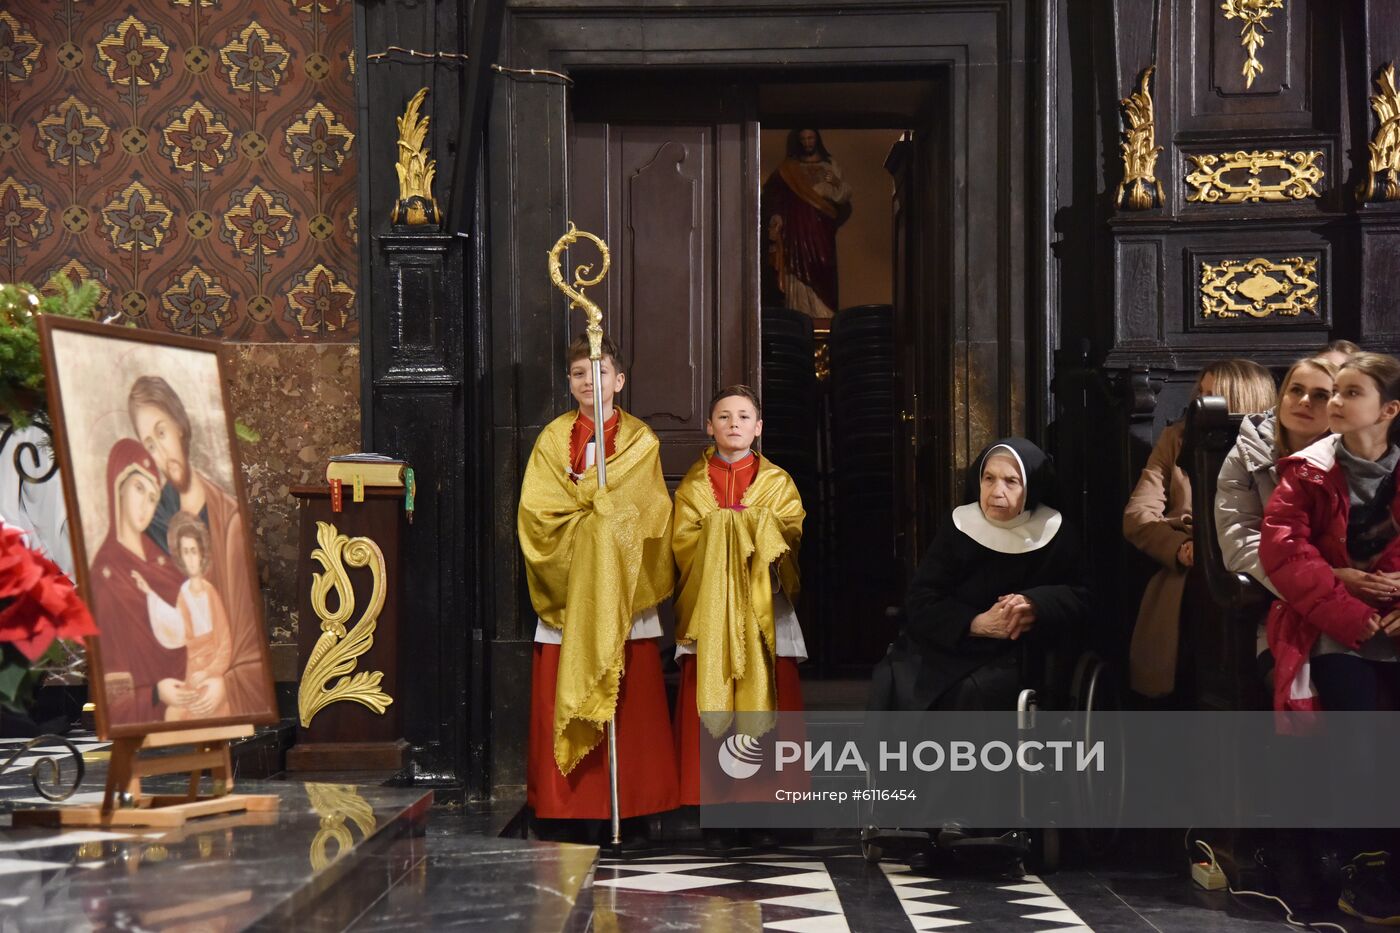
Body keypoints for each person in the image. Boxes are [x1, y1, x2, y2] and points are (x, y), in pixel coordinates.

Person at [517, 334, 679, 842]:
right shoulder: (551, 439)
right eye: (580, 374)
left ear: (620, 380)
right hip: (572, 588)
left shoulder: (640, 440)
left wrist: (609, 522)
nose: (590, 381)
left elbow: (652, 511)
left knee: (629, 703)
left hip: (622, 589)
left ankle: (633, 804)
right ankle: (569, 807)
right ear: (570, 384)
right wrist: (589, 518)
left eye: (600, 372)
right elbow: (537, 512)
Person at [1260, 352, 1400, 923]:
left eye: (1349, 393)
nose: (1333, 403)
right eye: (1331, 391)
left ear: (1388, 409)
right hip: (1334, 630)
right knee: (1361, 738)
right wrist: (1348, 616)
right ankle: (1364, 867)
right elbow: (1286, 554)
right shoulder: (1307, 471)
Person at [670, 386, 806, 846]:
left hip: (763, 609)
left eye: (744, 416)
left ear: (758, 427)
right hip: (711, 611)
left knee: (772, 700)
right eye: (724, 416)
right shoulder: (693, 485)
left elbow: (790, 532)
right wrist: (729, 528)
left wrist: (754, 529)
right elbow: (683, 543)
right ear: (709, 426)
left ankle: (768, 809)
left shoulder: (778, 482)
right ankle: (718, 809)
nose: (733, 423)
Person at [875, 438, 1089, 714]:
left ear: (1032, 486)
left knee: (971, 692)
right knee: (893, 678)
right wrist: (975, 623)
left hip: (1017, 652)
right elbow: (921, 598)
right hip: (954, 641)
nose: (996, 491)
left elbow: (1083, 596)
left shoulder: (1057, 533)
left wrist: (1035, 604)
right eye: (989, 479)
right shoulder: (959, 526)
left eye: (1011, 481)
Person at [1125, 359, 1276, 699]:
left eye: (1213, 396)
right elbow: (1138, 514)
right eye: (1201, 395)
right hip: (1191, 574)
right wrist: (1179, 547)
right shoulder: (1177, 438)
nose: (1201, 405)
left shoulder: (1276, 441)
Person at [127, 376, 269, 720]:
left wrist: (225, 681)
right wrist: (159, 685)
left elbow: (242, 641)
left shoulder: (227, 519)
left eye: (162, 433)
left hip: (217, 680)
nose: (159, 453)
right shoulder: (151, 523)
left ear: (181, 426)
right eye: (148, 443)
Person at [1215, 357, 1339, 668]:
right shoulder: (1246, 453)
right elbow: (1239, 540)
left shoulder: (1358, 452)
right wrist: (1320, 587)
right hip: (1285, 605)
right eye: (1295, 390)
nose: (1304, 401)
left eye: (1320, 395)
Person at [86, 438, 190, 726]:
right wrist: (156, 693)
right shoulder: (105, 574)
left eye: (153, 497)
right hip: (152, 711)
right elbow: (116, 689)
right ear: (118, 486)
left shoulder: (164, 565)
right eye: (139, 489)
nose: (146, 505)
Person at [133, 512, 234, 721]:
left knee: (210, 714)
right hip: (191, 671)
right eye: (185, 552)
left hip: (211, 670)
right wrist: (149, 594)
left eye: (193, 551)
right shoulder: (183, 593)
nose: (190, 558)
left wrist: (210, 672)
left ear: (202, 554)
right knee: (175, 714)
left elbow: (224, 641)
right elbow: (175, 626)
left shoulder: (210, 591)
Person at [762, 128, 852, 319]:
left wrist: (835, 182)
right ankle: (799, 315)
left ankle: (824, 316)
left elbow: (843, 195)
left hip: (821, 228)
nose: (807, 142)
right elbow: (772, 195)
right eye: (803, 139)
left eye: (810, 138)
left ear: (817, 140)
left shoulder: (830, 165)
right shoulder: (788, 169)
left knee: (823, 265)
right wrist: (776, 216)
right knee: (795, 267)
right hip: (796, 230)